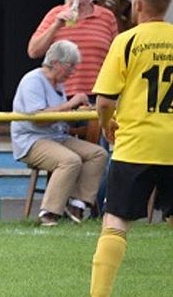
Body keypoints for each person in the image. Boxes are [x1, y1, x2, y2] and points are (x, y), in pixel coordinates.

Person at [76, 0, 173, 297]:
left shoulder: (127, 41)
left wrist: (107, 125)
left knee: (115, 221)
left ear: (140, 5)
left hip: (135, 146)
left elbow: (104, 101)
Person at [11, 40, 108, 226]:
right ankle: (49, 213)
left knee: (98, 154)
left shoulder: (59, 84)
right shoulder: (33, 80)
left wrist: (79, 112)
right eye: (71, 66)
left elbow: (59, 117)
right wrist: (71, 103)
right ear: (56, 63)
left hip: (57, 137)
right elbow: (39, 119)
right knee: (70, 160)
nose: (73, 72)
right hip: (31, 140)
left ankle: (77, 205)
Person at [28, 0, 119, 97]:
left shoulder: (106, 17)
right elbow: (33, 51)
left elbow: (117, 56)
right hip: (62, 95)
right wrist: (56, 26)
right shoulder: (55, 14)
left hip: (98, 94)